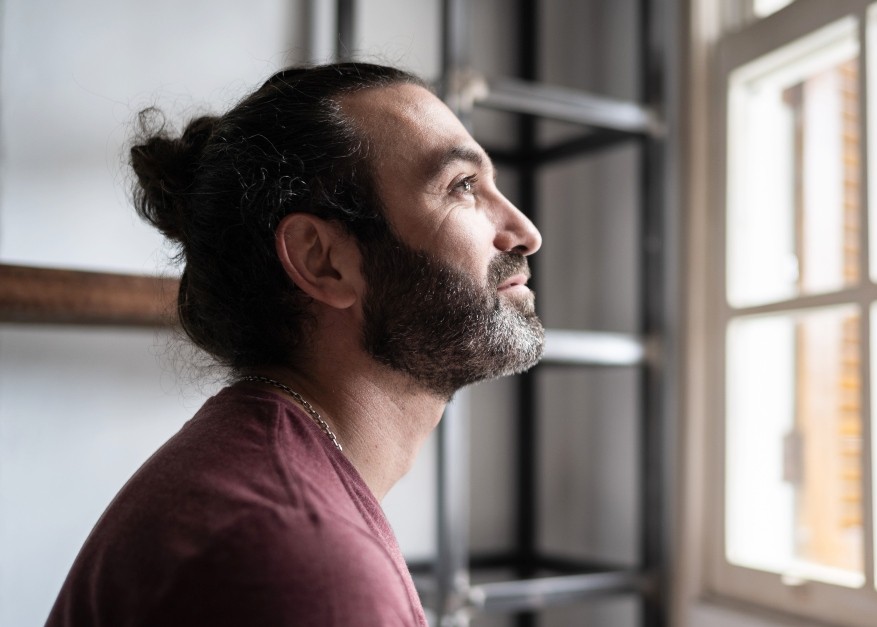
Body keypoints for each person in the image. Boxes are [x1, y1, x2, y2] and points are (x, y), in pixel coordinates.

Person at [46, 62, 544, 627]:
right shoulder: (305, 561)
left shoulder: (269, 478)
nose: (526, 231)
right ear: (322, 260)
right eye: (463, 187)